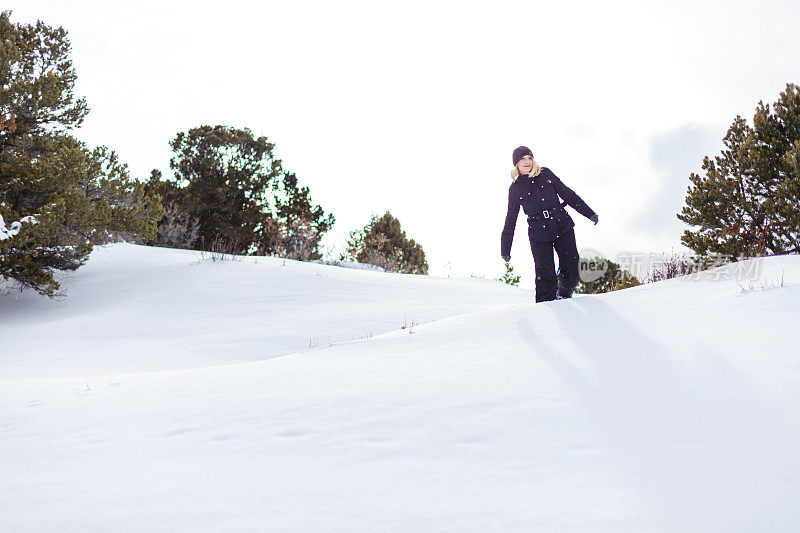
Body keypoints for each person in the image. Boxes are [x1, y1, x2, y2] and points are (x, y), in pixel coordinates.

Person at [501, 146, 598, 303]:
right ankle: (545, 311)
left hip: (562, 224)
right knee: (545, 277)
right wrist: (505, 248)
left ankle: (563, 294)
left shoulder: (545, 173)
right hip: (538, 233)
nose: (527, 162)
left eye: (529, 158)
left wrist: (589, 212)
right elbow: (510, 219)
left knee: (572, 267)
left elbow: (567, 194)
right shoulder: (515, 189)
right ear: (516, 164)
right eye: (522, 159)